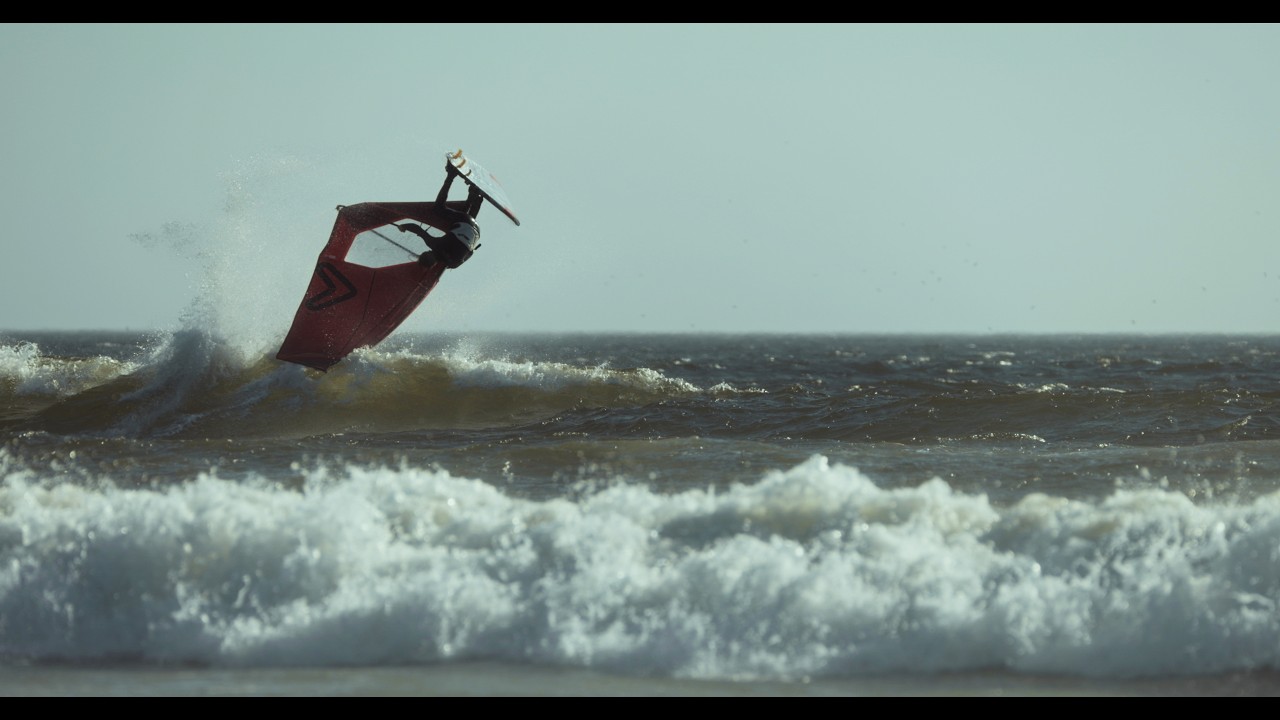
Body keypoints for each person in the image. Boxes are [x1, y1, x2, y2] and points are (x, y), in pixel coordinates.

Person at [394, 213, 480, 269]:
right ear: (427, 253)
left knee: (463, 238)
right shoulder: (434, 244)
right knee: (438, 209)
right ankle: (447, 187)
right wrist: (403, 226)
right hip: (466, 221)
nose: (428, 250)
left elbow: (470, 253)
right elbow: (417, 229)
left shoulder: (452, 265)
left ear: (434, 264)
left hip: (477, 234)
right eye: (426, 252)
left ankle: (476, 201)